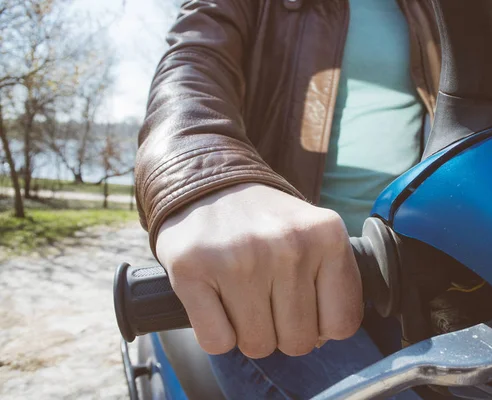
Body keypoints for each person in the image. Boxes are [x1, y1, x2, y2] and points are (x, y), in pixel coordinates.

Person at [135, 0, 440, 398]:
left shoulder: (430, 8)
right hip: (279, 264)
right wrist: (206, 179)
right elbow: (191, 66)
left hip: (407, 261)